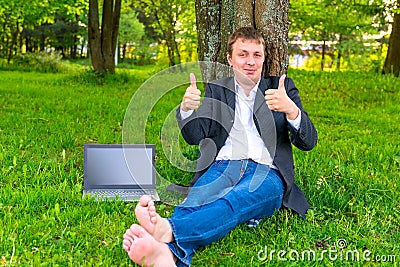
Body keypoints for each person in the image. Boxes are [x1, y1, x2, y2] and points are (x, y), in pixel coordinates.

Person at [122, 27, 318, 266]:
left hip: (268, 174)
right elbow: (195, 136)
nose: (250, 62)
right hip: (224, 166)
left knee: (234, 200)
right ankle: (167, 255)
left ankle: (166, 230)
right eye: (243, 54)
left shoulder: (281, 88)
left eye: (257, 55)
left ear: (264, 58)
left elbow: (308, 142)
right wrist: (187, 109)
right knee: (196, 199)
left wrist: (291, 110)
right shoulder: (218, 89)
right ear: (229, 59)